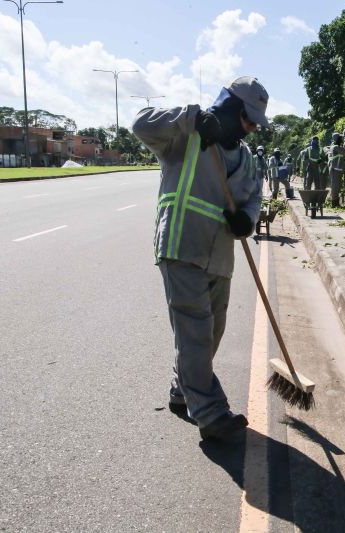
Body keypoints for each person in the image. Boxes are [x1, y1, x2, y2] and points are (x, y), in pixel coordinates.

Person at [131, 76, 268, 440]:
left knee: (212, 332)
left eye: (256, 122)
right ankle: (211, 412)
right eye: (248, 118)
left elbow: (254, 197)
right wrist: (189, 116)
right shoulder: (185, 136)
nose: (252, 128)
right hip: (181, 246)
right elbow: (140, 124)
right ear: (229, 107)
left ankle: (182, 390)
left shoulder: (248, 158)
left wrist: (248, 219)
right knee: (196, 333)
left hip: (220, 257)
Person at [326, 132, 345, 207]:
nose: (342, 140)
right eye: (341, 138)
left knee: (337, 185)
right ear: (337, 139)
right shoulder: (335, 147)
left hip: (337, 168)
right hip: (335, 169)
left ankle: (335, 202)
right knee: (335, 186)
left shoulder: (334, 146)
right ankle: (334, 203)